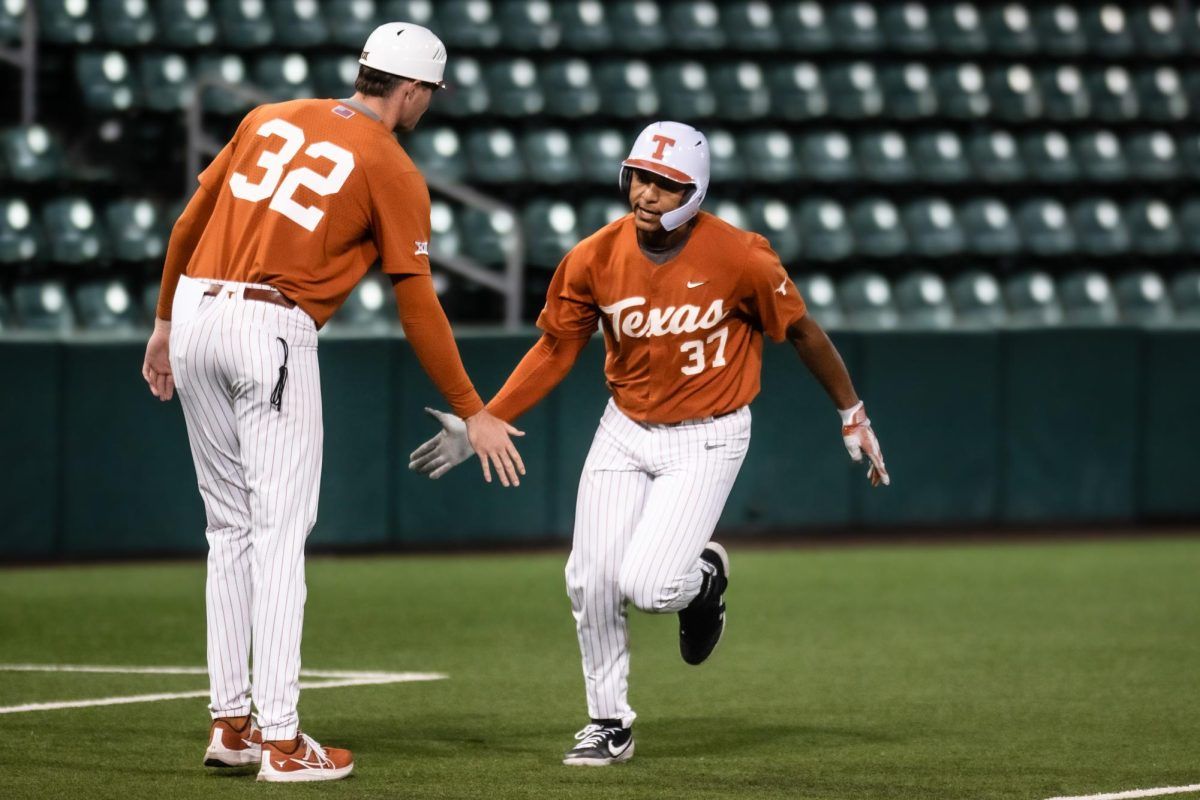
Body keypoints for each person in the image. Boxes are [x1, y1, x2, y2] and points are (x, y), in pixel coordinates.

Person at [409, 120, 889, 766]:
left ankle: (705, 579)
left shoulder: (742, 256)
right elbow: (556, 351)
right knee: (590, 579)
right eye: (640, 176)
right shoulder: (594, 257)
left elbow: (803, 332)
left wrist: (850, 410)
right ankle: (609, 721)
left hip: (709, 435)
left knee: (653, 585)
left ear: (695, 190)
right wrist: (484, 420)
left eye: (666, 182)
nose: (647, 192)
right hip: (627, 428)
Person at [140, 22, 524, 783]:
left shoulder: (266, 116)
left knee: (228, 529)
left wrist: (161, 324)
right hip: (270, 328)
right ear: (410, 89)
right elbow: (416, 301)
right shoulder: (390, 163)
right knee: (280, 535)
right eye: (428, 95)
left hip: (196, 313)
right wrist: (471, 404)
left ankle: (231, 725)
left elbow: (190, 221)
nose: (427, 107)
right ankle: (282, 742)